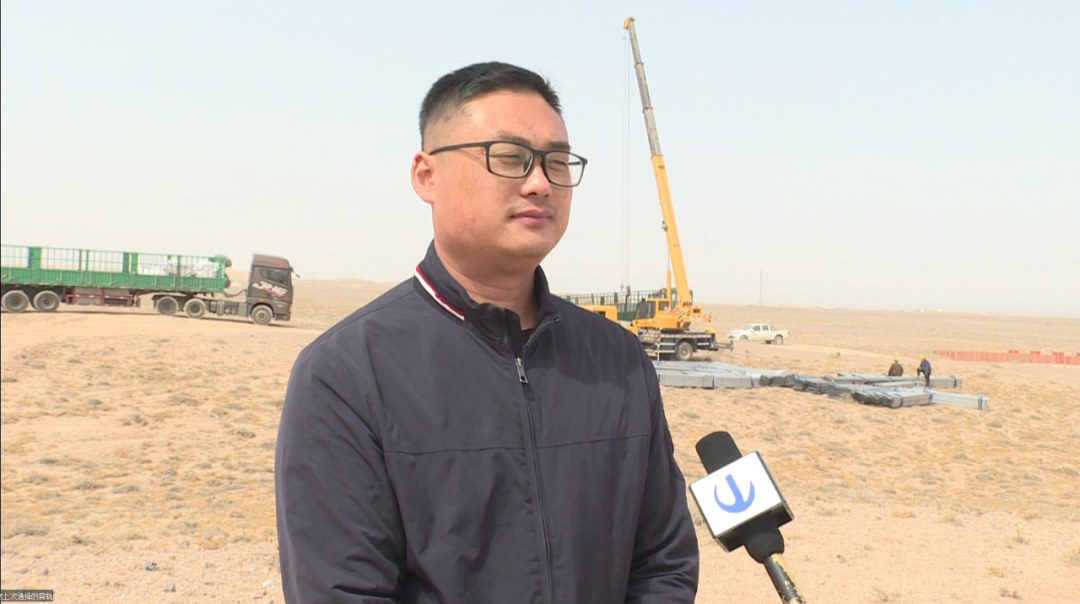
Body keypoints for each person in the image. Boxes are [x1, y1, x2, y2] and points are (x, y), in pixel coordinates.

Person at [275, 62, 699, 603]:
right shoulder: (348, 372)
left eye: (557, 162)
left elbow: (663, 563)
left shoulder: (616, 359)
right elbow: (342, 591)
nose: (540, 182)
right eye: (509, 157)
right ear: (426, 176)